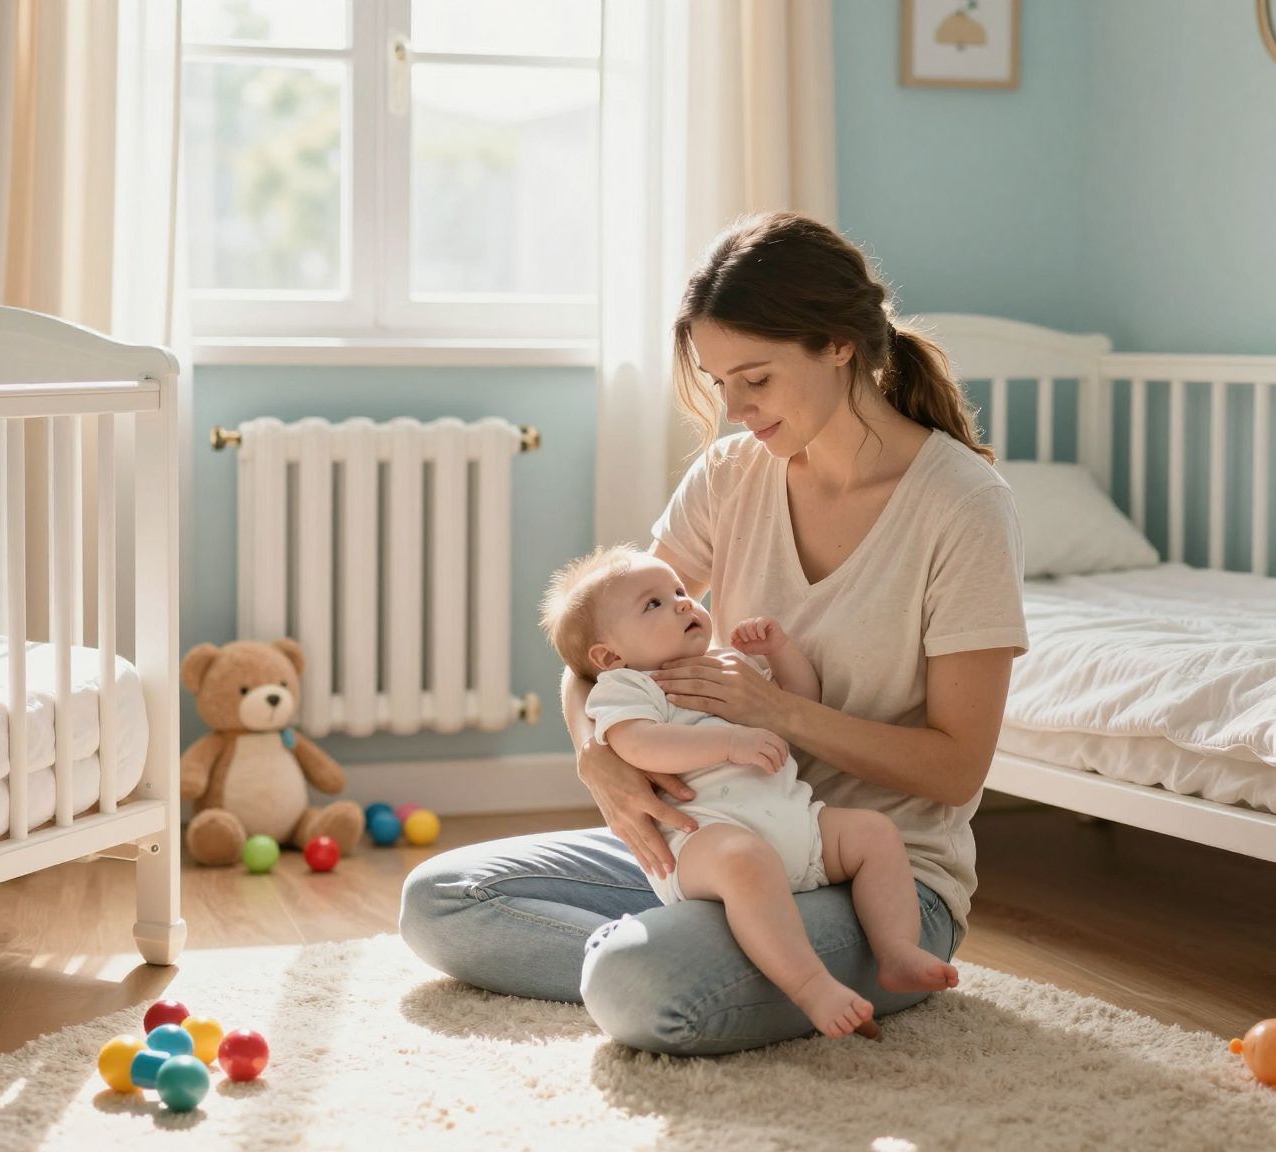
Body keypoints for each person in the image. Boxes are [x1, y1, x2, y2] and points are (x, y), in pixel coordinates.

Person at [399, 210, 1028, 1054]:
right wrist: (595, 753)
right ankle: (692, 953)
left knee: (642, 983)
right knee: (441, 899)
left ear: (839, 345)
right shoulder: (730, 477)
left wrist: (779, 713)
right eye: (718, 381)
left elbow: (956, 767)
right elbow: (602, 639)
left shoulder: (962, 508)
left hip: (876, 875)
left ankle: (675, 962)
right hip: (721, 841)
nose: (733, 409)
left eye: (755, 378)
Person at [541, 543, 959, 1038]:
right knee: (745, 861)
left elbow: (799, 704)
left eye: (679, 590)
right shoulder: (629, 688)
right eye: (654, 603)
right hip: (706, 839)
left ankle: (897, 951)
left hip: (801, 828)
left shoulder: (726, 663)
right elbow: (638, 745)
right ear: (610, 656)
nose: (682, 602)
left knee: (874, 833)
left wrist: (780, 653)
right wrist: (729, 743)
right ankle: (811, 986)